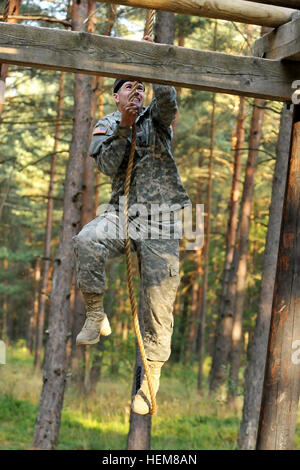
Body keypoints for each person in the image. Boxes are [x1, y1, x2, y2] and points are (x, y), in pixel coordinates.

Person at [73, 65, 191, 414]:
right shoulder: (106, 124)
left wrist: (153, 64)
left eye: (141, 87)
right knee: (87, 239)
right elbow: (108, 166)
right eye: (129, 87)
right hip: (123, 213)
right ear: (116, 95)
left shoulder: (156, 118)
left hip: (162, 220)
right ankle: (95, 314)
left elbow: (167, 100)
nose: (137, 91)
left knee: (159, 299)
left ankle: (151, 374)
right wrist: (125, 125)